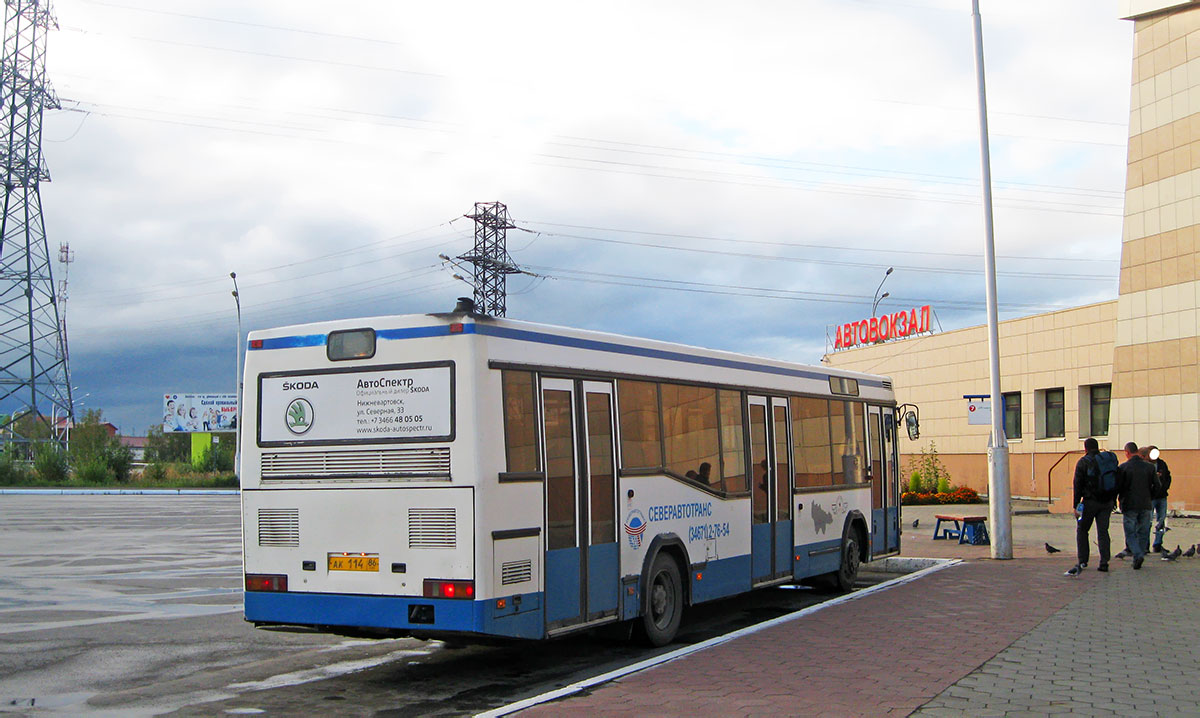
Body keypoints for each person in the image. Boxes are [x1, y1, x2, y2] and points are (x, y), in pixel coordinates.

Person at [1066, 438, 1113, 576]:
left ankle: (1083, 560)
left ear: (1085, 448)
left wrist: (1076, 505)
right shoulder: (1107, 461)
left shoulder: (1083, 462)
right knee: (1103, 531)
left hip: (1090, 502)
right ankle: (1104, 562)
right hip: (1107, 501)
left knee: (1082, 530)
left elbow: (1078, 485)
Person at [1116, 441, 1160, 570]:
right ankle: (1139, 555)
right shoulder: (1150, 467)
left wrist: (1119, 499)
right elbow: (1157, 486)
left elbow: (1119, 487)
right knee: (1143, 531)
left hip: (1129, 504)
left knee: (1130, 532)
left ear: (1127, 453)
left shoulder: (1123, 468)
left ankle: (1137, 554)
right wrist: (1150, 496)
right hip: (1146, 503)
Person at [1144, 445, 1172, 553]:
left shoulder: (1162, 464)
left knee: (1161, 520)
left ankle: (1158, 543)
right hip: (1150, 497)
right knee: (1147, 521)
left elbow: (1168, 476)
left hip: (1162, 496)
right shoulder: (1146, 465)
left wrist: (1165, 487)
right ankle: (1145, 545)